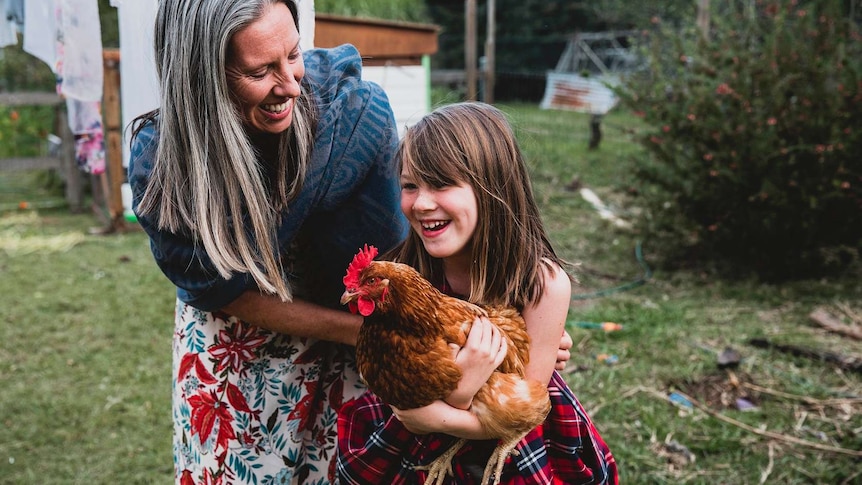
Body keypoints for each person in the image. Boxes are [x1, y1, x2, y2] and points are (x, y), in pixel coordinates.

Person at [127, 1, 409, 483]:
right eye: (261, 71)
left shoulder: (354, 114)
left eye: (294, 55)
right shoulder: (163, 167)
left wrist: (486, 319)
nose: (291, 85)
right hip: (237, 341)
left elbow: (401, 259)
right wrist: (359, 333)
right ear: (204, 79)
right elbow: (224, 291)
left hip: (348, 332)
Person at [337, 102, 618, 485]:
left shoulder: (541, 284)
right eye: (409, 185)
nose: (421, 202)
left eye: (441, 183)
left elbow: (526, 410)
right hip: (415, 443)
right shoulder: (404, 273)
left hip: (507, 448)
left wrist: (436, 415)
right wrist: (461, 384)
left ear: (491, 187)